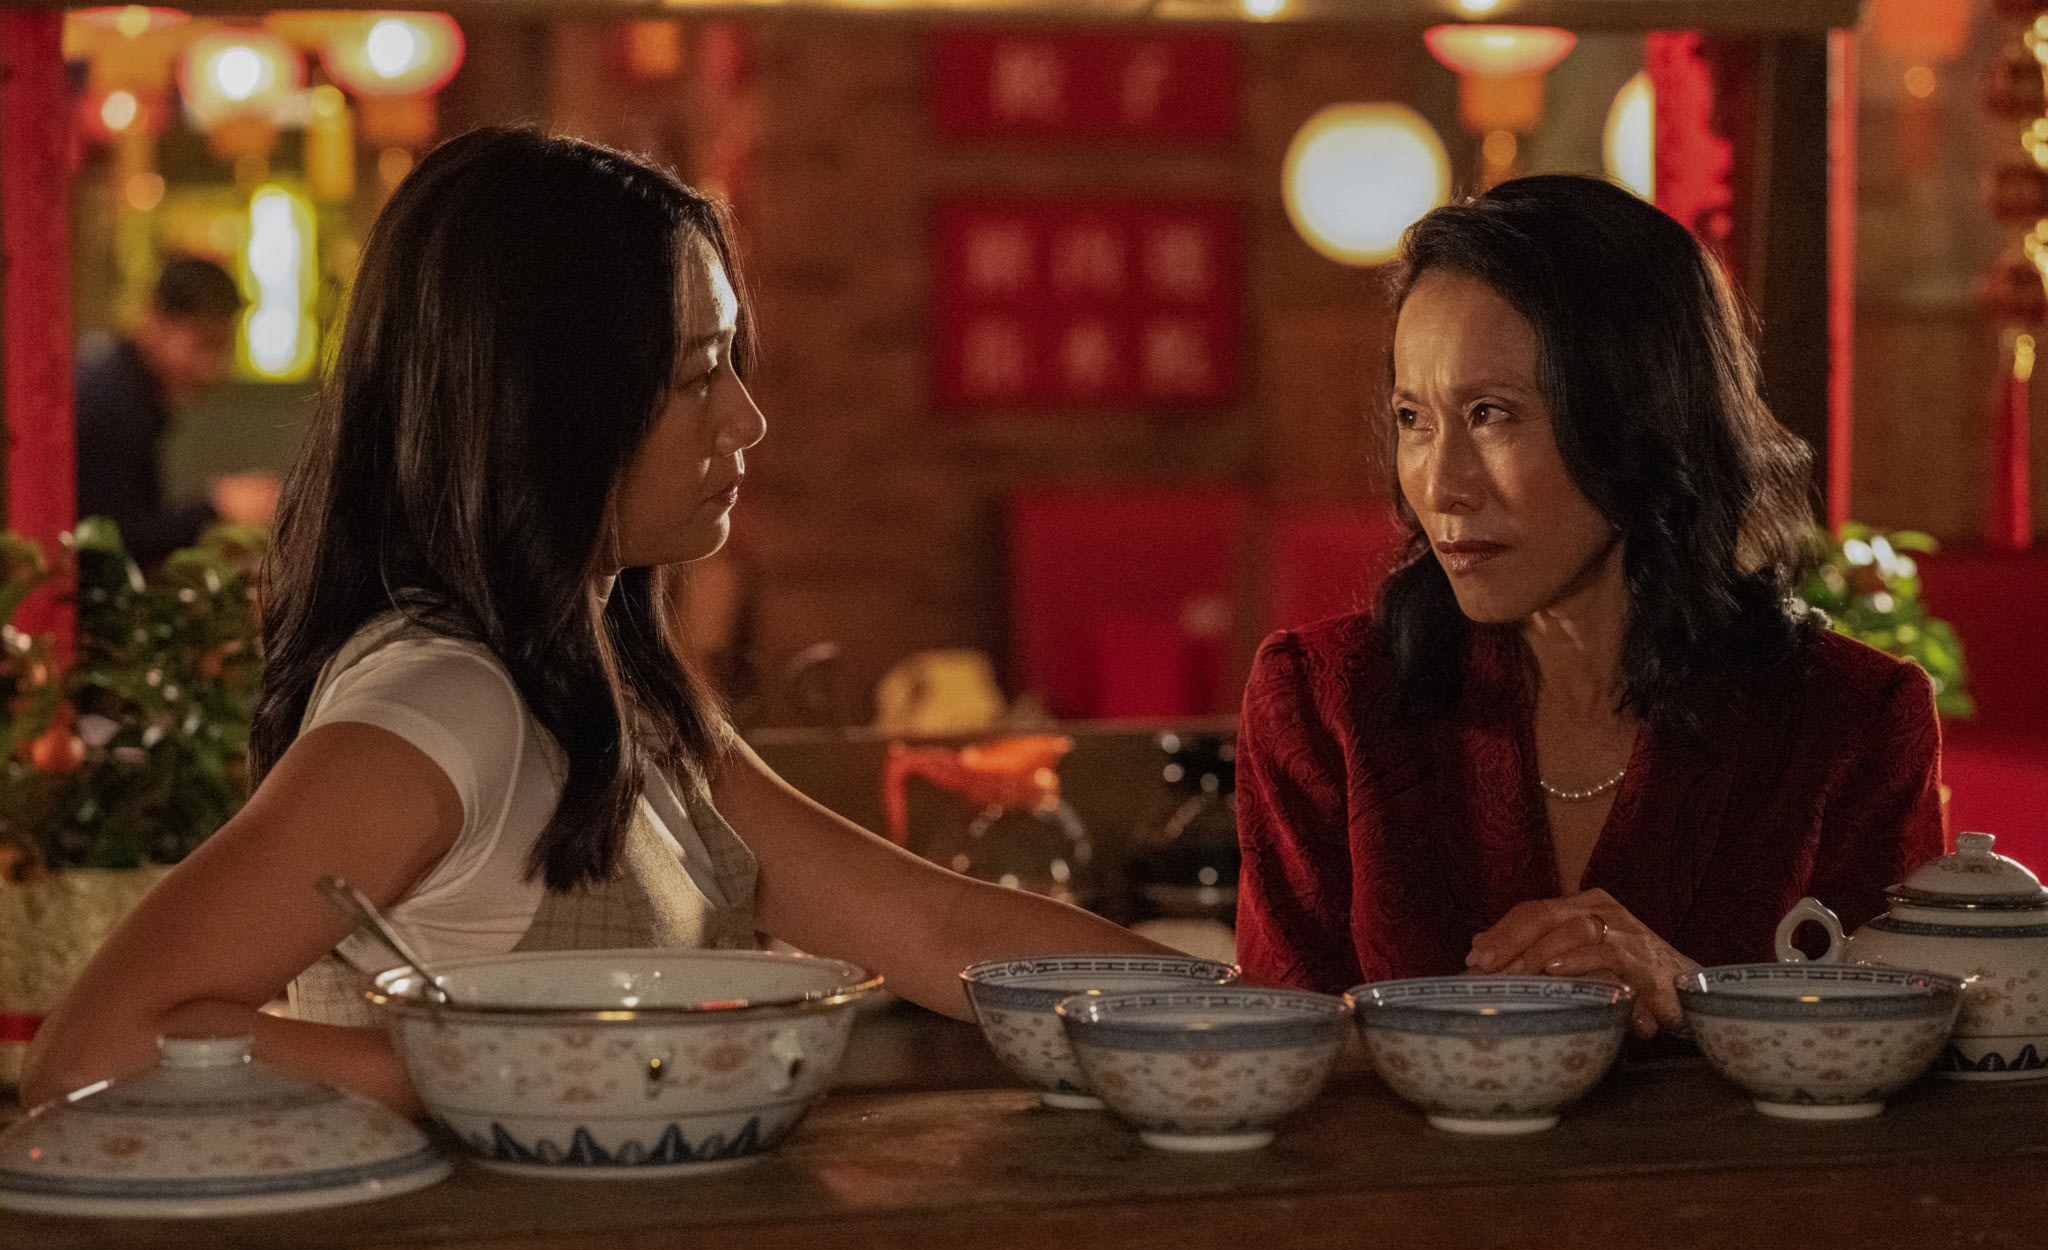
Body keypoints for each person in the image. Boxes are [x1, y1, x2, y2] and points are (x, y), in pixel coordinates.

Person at [22, 128, 1161, 1114]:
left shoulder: (612, 693)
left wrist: (1225, 1012)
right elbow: (99, 1047)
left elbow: (937, 928)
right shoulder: (443, 702)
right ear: (549, 406)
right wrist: (496, 1074)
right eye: (699, 375)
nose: (746, 420)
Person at [1233, 175, 1943, 1039]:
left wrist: (1696, 1001)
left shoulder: (1850, 722)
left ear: (1638, 416)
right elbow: (1273, 1058)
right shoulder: (1326, 702)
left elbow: (1902, 1058)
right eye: (1414, 418)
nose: (1442, 484)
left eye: (1491, 414)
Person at [74, 256, 281, 566]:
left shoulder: (127, 388)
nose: (213, 367)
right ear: (155, 320)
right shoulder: (113, 401)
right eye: (204, 343)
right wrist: (217, 508)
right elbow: (113, 543)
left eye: (225, 346)